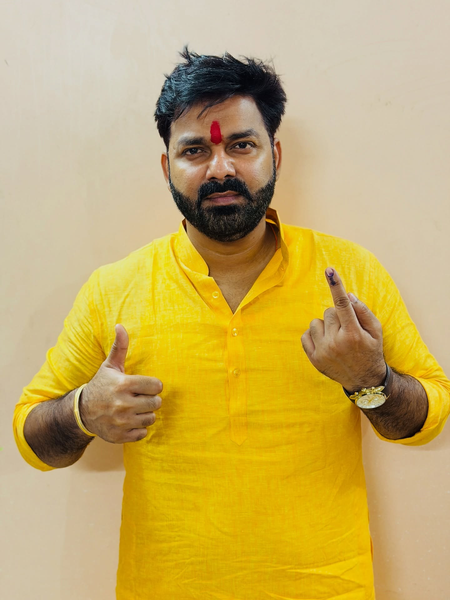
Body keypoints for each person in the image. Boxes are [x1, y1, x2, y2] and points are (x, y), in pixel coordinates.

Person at [13, 49, 450, 600]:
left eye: (241, 145)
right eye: (195, 149)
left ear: (276, 154)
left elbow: (430, 418)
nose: (220, 169)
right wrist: (83, 411)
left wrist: (370, 380)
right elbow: (31, 438)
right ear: (166, 166)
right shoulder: (115, 288)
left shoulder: (350, 275)